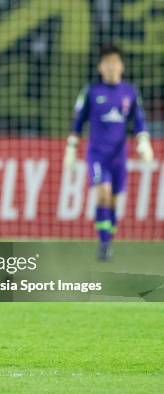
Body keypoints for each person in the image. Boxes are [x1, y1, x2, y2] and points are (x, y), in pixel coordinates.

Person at [64, 44, 154, 261]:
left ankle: (108, 239)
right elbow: (78, 122)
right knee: (102, 194)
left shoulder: (130, 92)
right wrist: (71, 148)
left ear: (122, 66)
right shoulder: (92, 92)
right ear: (100, 67)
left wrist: (144, 143)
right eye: (107, 63)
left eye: (115, 63)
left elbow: (139, 121)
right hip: (97, 154)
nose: (112, 67)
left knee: (113, 201)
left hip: (119, 156)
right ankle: (103, 244)